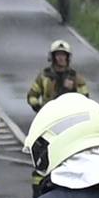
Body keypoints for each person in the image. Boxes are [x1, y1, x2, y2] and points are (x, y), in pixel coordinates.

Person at [26, 40, 89, 187]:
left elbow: (85, 98)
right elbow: (32, 95)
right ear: (52, 57)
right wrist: (40, 109)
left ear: (68, 58)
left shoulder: (75, 77)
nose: (61, 58)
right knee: (42, 155)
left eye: (63, 55)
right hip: (48, 123)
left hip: (69, 123)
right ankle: (38, 191)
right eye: (58, 55)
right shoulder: (44, 76)